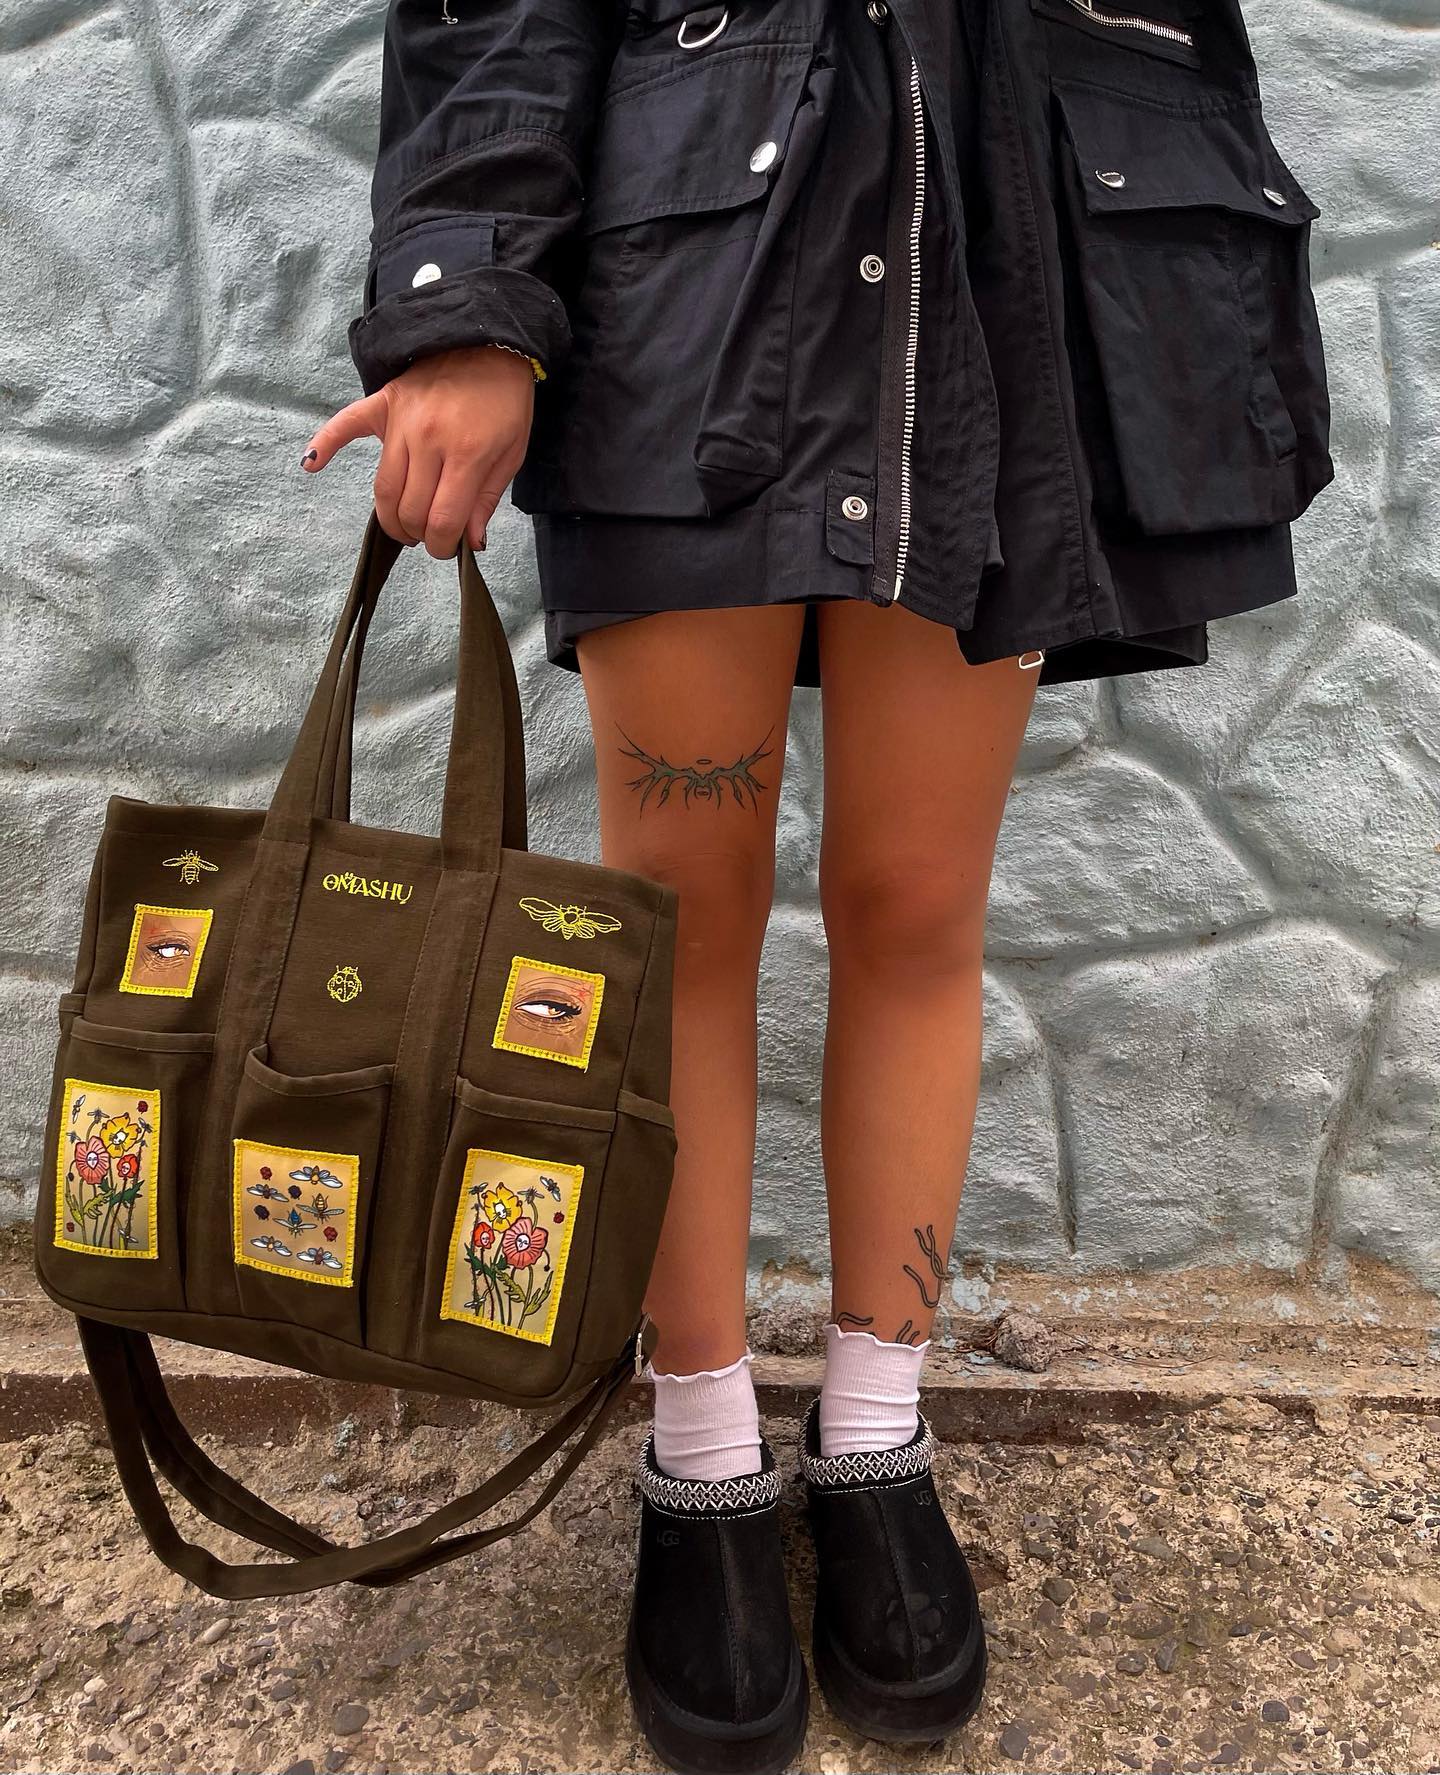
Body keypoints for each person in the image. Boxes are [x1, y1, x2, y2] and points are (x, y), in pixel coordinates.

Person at [307, 3, 1331, 1769]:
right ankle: (698, 1453)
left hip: (1002, 284)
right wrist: (468, 298)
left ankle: (875, 1437)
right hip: (696, 287)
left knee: (919, 911)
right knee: (672, 926)